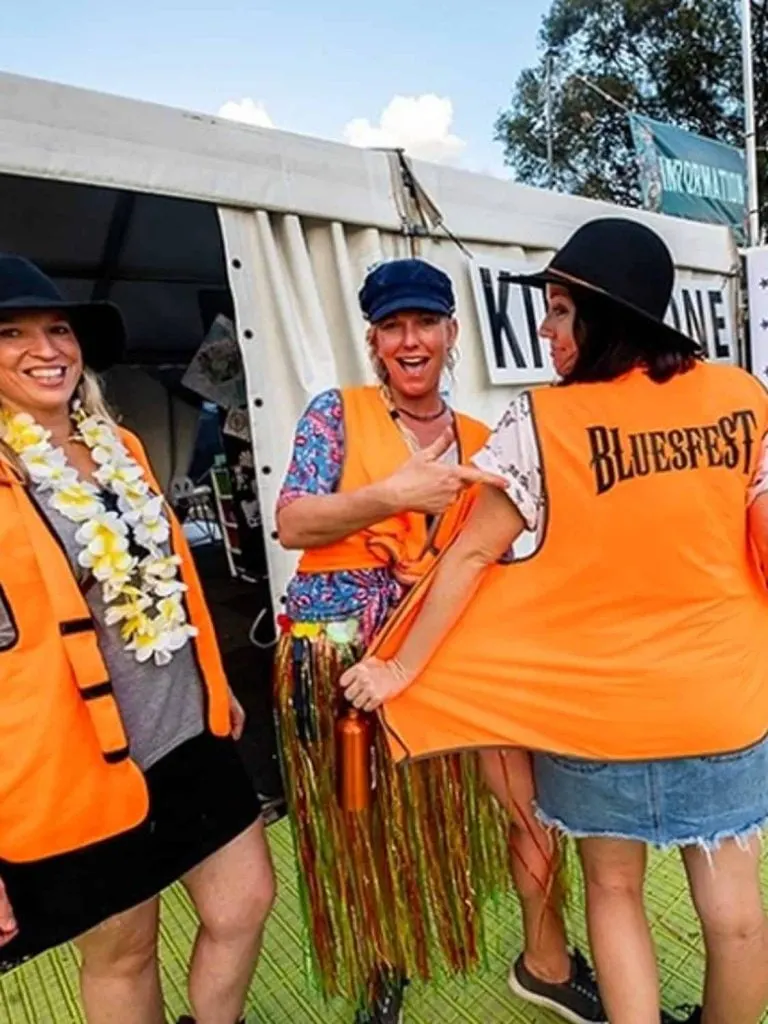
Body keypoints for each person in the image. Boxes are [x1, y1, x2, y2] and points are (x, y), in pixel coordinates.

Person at [342, 219, 768, 1024]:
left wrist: (399, 667)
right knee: (737, 913)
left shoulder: (538, 422)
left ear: (605, 316)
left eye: (561, 310)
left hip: (592, 713)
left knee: (613, 890)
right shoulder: (743, 397)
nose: (546, 329)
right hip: (725, 702)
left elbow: (469, 556)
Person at [275, 257, 605, 1024]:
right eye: (392, 326)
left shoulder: (486, 440)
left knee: (526, 809)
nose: (411, 340)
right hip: (347, 661)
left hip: (456, 655)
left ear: (453, 332)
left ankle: (548, 961)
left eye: (425, 322)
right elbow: (292, 523)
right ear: (373, 340)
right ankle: (383, 966)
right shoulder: (334, 414)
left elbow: (502, 555)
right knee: (365, 824)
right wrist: (390, 496)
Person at [0, 254, 275, 1024]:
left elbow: (175, 580)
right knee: (125, 953)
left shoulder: (122, 445)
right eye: (12, 334)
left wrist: (213, 684)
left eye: (58, 329)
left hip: (185, 728)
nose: (46, 349)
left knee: (247, 899)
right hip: (76, 763)